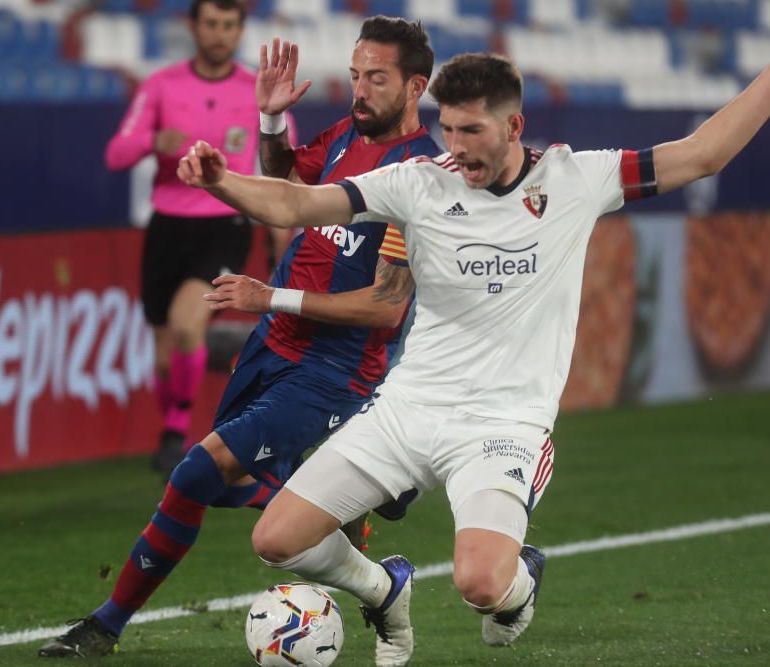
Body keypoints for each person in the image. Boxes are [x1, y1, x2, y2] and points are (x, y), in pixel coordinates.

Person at [177, 54, 770, 666]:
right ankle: (385, 588)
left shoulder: (575, 179)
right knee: (275, 539)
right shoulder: (419, 182)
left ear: (513, 128)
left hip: (502, 425)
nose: (456, 148)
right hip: (408, 409)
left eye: (472, 131)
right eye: (449, 129)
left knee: (481, 586)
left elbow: (704, 154)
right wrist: (222, 180)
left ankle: (520, 584)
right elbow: (296, 206)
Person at [37, 16, 441, 660]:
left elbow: (387, 308)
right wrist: (273, 121)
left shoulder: (423, 176)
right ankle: (365, 521)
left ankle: (106, 626)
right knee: (216, 486)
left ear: (416, 86)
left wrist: (268, 295)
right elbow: (286, 182)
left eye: (377, 79)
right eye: (356, 75)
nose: (359, 90)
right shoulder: (345, 136)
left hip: (333, 369)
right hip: (274, 345)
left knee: (196, 471)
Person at [103, 0, 265, 475]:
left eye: (229, 26)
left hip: (225, 223)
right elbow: (117, 153)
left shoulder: (253, 89)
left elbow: (282, 161)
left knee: (186, 325)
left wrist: (281, 231)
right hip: (168, 225)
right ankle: (170, 426)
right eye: (211, 24)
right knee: (161, 350)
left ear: (239, 31)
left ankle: (175, 432)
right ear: (194, 27)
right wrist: (155, 141)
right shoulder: (162, 85)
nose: (220, 34)